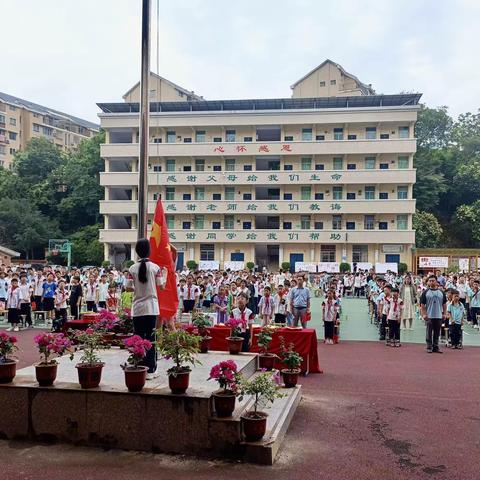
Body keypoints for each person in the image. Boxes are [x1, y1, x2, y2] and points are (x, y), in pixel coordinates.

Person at [126, 238, 166, 379]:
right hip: (151, 308)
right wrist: (165, 275)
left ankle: (139, 365)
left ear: (137, 251)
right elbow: (162, 286)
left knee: (138, 338)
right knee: (150, 338)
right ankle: (150, 370)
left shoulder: (132, 268)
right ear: (149, 251)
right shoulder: (155, 268)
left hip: (137, 309)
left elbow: (128, 288)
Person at [420, 275, 447, 354]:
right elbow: (422, 305)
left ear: (436, 282)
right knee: (429, 331)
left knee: (437, 332)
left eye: (433, 280)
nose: (431, 282)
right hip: (429, 315)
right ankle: (429, 346)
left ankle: (436, 346)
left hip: (438, 315)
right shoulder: (425, 292)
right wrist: (424, 314)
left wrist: (444, 314)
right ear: (428, 282)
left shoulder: (441, 292)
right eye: (430, 281)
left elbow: (444, 304)